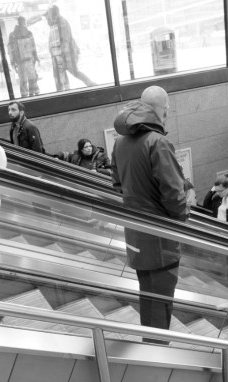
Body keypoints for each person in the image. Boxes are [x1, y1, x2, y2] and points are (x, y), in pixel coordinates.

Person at [111, 85, 188, 343]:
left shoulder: (120, 141)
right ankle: (156, 356)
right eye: (166, 110)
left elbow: (118, 184)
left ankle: (151, 348)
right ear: (162, 110)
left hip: (135, 236)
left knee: (149, 297)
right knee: (161, 304)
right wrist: (184, 216)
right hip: (160, 241)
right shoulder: (159, 143)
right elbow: (175, 198)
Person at [44, 5, 95, 91]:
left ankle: (92, 85)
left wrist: (63, 55)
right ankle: (65, 91)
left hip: (66, 54)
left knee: (74, 72)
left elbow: (65, 40)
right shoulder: (55, 24)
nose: (47, 19)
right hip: (59, 55)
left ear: (54, 14)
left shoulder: (61, 22)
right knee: (61, 75)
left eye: (48, 16)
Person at [8, 16, 39, 97]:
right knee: (31, 79)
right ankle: (33, 95)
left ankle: (25, 97)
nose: (24, 24)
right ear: (23, 22)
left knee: (24, 81)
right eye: (24, 22)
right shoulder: (28, 33)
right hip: (28, 61)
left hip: (21, 62)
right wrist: (36, 57)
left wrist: (12, 62)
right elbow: (33, 46)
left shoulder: (13, 35)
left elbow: (10, 50)